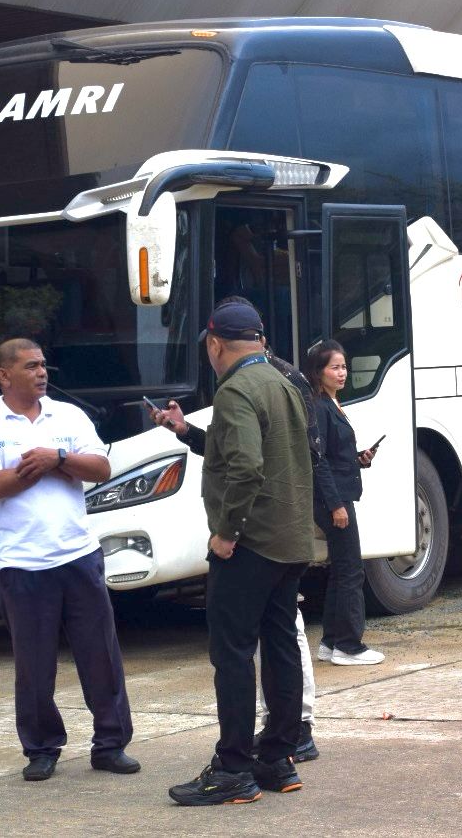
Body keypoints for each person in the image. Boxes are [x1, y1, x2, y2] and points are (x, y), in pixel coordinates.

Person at [151, 301, 323, 763]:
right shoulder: (282, 382)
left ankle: (232, 766)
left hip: (250, 543)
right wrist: (187, 432)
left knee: (233, 656)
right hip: (290, 540)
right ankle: (278, 760)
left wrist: (226, 532)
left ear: (214, 343)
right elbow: (249, 450)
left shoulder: (235, 390)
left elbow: (246, 467)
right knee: (282, 645)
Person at [0, 338, 137, 782]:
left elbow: (99, 468)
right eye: (31, 366)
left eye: (44, 365)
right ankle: (41, 749)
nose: (43, 373)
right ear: (4, 375)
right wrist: (43, 466)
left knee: (100, 656)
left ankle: (110, 744)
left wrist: (56, 456)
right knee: (34, 666)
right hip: (22, 564)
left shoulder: (69, 416)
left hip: (78, 555)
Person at [304, 338, 384, 666]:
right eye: (334, 367)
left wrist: (358, 458)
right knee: (352, 570)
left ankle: (331, 642)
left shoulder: (333, 404)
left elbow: (335, 454)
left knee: (341, 570)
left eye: (344, 367)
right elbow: (318, 460)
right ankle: (349, 645)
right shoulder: (319, 406)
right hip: (333, 499)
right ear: (318, 372)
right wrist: (336, 505)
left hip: (338, 493)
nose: (342, 373)